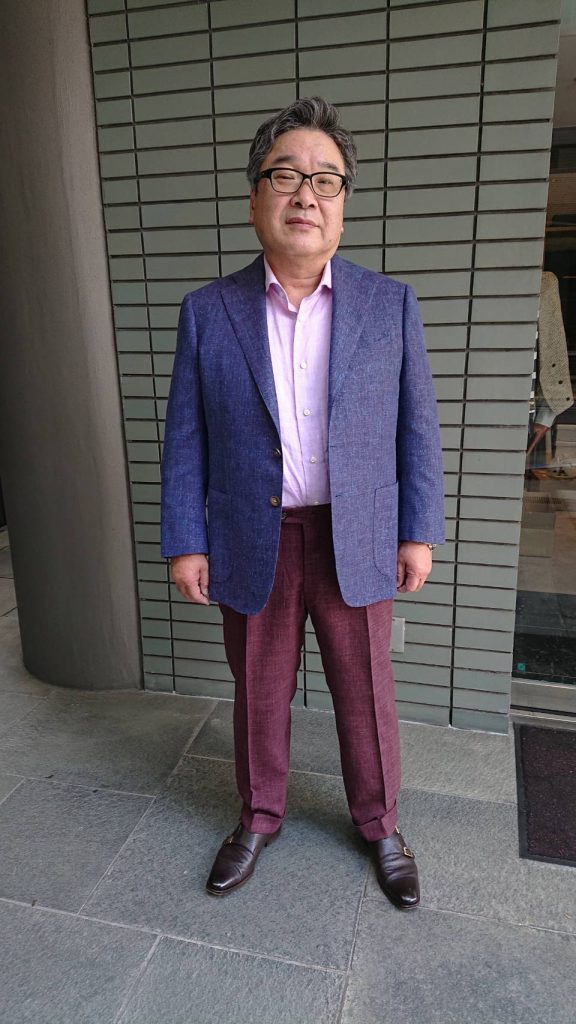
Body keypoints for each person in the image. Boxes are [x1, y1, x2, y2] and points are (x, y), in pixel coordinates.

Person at [161, 97, 445, 910]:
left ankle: (381, 825)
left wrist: (418, 531)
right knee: (258, 688)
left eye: (325, 180)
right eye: (285, 175)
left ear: (343, 203)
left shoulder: (389, 305)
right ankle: (258, 816)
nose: (305, 195)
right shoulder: (208, 311)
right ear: (256, 197)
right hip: (254, 535)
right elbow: (186, 436)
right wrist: (186, 540)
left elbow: (417, 427)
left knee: (366, 690)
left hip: (358, 531)